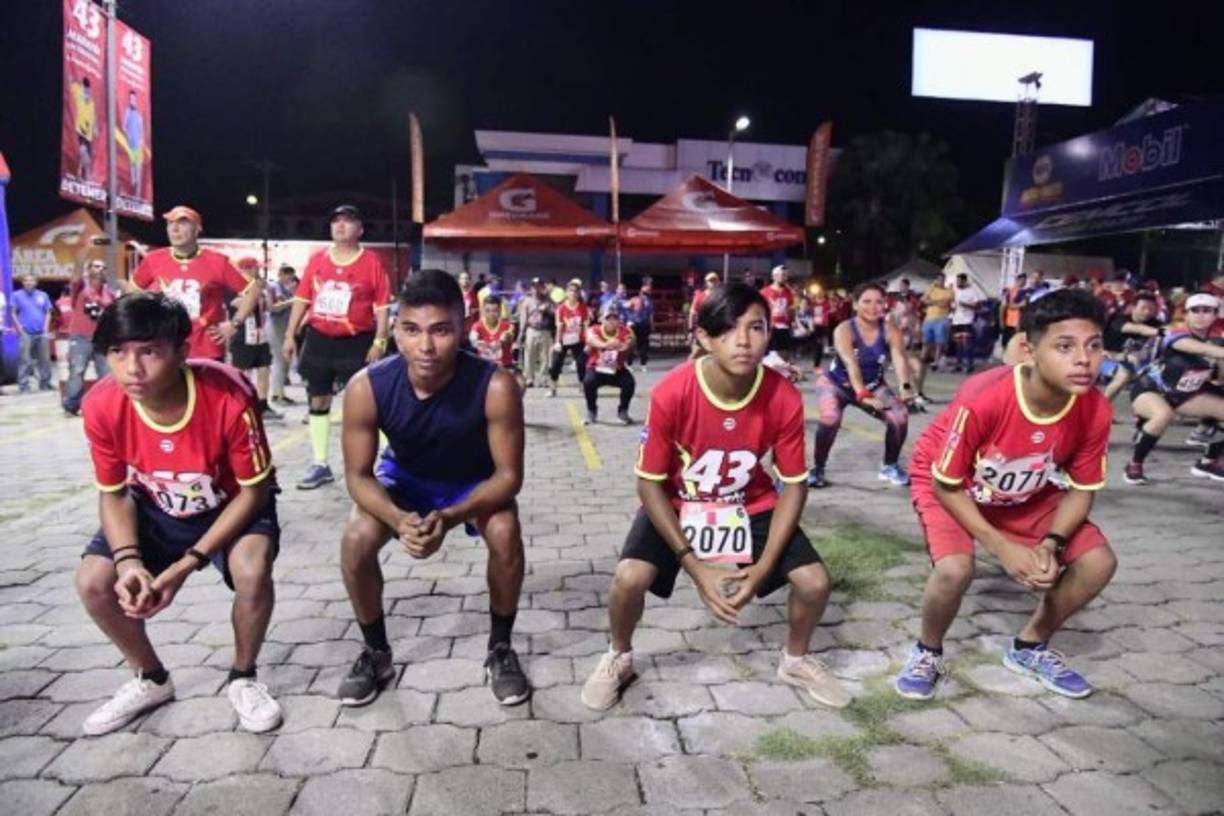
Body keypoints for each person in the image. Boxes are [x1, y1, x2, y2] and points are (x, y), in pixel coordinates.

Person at [580, 282, 849, 711]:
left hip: (748, 501)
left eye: (756, 327)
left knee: (815, 582)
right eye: (727, 329)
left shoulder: (782, 395)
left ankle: (795, 659)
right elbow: (649, 482)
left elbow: (794, 485)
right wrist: (695, 566)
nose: (743, 341)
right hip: (678, 502)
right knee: (629, 578)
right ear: (704, 338)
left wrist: (761, 570)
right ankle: (618, 654)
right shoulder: (673, 390)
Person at [75, 293, 282, 735]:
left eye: (149, 351)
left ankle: (243, 676)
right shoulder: (99, 404)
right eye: (118, 352)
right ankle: (150, 678)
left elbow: (254, 489)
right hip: (156, 501)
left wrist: (188, 564)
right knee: (93, 580)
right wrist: (130, 562)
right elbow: (113, 494)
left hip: (231, 504)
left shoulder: (228, 392)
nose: (132, 369)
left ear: (182, 352)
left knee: (252, 569)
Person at [896, 289, 1117, 701]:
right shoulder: (985, 396)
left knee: (1098, 561)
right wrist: (1003, 549)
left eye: (1094, 345)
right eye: (1064, 347)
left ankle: (1029, 647)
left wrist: (1051, 544)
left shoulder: (1096, 410)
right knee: (955, 571)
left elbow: (1080, 490)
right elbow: (946, 483)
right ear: (1030, 351)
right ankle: (928, 650)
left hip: (1024, 490)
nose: (1084, 359)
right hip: (951, 482)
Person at [335, 270, 530, 706]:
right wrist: (399, 521)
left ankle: (500, 649)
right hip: (406, 479)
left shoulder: (496, 385)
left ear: (463, 326)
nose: (425, 346)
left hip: (474, 482)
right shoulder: (366, 387)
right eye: (411, 330)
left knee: (504, 533)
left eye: (440, 330)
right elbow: (358, 477)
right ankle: (376, 652)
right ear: (396, 329)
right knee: (356, 539)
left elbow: (508, 477)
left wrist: (451, 516)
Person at [283, 205, 392, 490]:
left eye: (348, 221)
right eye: (336, 222)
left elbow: (382, 305)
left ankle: (388, 460)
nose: (341, 226)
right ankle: (320, 464)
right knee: (317, 401)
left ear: (360, 229)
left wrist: (380, 340)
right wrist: (290, 335)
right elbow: (303, 298)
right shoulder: (318, 259)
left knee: (369, 403)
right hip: (319, 339)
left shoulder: (371, 262)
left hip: (357, 341)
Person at [810, 283, 914, 488]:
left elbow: (900, 358)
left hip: (874, 385)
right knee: (830, 419)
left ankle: (890, 467)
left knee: (899, 416)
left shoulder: (890, 329)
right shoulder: (844, 329)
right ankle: (817, 468)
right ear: (855, 304)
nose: (873, 307)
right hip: (836, 385)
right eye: (866, 301)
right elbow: (850, 363)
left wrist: (906, 386)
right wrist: (862, 394)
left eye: (879, 302)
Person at [129, 206, 262, 362]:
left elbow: (253, 290)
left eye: (182, 223)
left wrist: (234, 325)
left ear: (197, 229)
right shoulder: (154, 260)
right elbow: (132, 292)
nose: (175, 229)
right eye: (170, 224)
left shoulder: (218, 261)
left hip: (206, 350)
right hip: (166, 347)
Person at [1124, 292, 1224, 485]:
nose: (1201, 315)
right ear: (1186, 315)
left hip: (1185, 394)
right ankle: (1134, 464)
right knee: (1163, 415)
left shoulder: (1217, 340)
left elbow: (1219, 377)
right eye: (1195, 310)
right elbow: (1202, 350)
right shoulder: (1175, 333)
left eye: (1207, 311)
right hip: (1150, 389)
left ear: (1215, 315)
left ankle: (1208, 462)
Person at [228, 258, 282, 421]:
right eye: (255, 268)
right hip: (243, 335)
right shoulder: (237, 286)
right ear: (247, 269)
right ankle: (239, 404)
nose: (258, 271)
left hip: (261, 335)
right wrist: (254, 293)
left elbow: (270, 307)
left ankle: (262, 404)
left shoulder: (261, 286)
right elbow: (236, 304)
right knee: (242, 372)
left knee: (264, 369)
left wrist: (292, 302)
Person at [62, 259, 116, 415]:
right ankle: (72, 405)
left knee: (106, 374)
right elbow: (76, 272)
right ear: (89, 269)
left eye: (104, 267)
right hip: (80, 337)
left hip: (102, 339)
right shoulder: (80, 288)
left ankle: (103, 405)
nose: (101, 269)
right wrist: (85, 249)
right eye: (97, 266)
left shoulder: (109, 293)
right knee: (77, 371)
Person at [1099, 292, 1162, 405]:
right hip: (1105, 358)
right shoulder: (1118, 319)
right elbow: (1136, 329)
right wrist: (1161, 332)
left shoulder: (1156, 324)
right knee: (1124, 374)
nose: (1147, 312)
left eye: (1151, 309)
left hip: (1134, 361)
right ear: (1133, 308)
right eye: (1143, 308)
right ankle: (1099, 410)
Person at [582, 307, 636, 425]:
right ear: (602, 319)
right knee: (588, 382)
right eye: (608, 319)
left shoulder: (625, 330)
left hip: (617, 368)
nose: (611, 322)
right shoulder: (594, 329)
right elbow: (591, 340)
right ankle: (591, 410)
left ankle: (623, 411)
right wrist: (606, 345)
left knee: (629, 383)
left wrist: (622, 345)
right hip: (597, 368)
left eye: (615, 319)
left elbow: (630, 342)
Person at [11, 273, 55, 393]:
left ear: (36, 282)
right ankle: (24, 386)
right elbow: (13, 312)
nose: (28, 282)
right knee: (24, 360)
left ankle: (45, 384)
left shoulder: (43, 295)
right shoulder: (16, 295)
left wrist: (46, 327)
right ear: (22, 282)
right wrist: (19, 328)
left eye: (31, 280)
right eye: (26, 280)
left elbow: (48, 312)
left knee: (44, 359)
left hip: (41, 332)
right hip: (25, 332)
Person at [549, 280, 590, 397]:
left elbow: (586, 326)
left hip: (578, 339)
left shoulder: (583, 308)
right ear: (566, 293)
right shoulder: (561, 308)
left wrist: (588, 343)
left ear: (578, 294)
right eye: (571, 291)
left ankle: (582, 385)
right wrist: (557, 342)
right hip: (563, 339)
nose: (573, 293)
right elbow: (559, 326)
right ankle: (553, 387)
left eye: (575, 291)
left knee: (581, 363)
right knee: (556, 363)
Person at [266, 264, 298, 405]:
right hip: (275, 325)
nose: (289, 276)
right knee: (279, 360)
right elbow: (273, 308)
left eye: (291, 273)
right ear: (280, 274)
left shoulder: (287, 289)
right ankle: (276, 395)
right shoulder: (273, 286)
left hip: (285, 327)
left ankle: (281, 393)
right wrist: (292, 300)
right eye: (286, 273)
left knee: (285, 361)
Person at [516, 278, 554, 388]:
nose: (536, 289)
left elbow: (556, 313)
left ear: (542, 288)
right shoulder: (527, 301)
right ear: (531, 289)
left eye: (539, 286)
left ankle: (543, 378)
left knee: (545, 356)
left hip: (545, 330)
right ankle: (529, 378)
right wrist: (521, 333)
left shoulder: (548, 300)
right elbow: (523, 317)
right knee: (529, 355)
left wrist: (547, 310)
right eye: (534, 287)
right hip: (531, 330)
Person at [761, 264, 796, 362]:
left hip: (784, 327)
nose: (786, 277)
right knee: (768, 356)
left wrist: (792, 323)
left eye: (786, 275)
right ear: (774, 277)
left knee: (785, 354)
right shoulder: (765, 292)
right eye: (783, 275)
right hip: (770, 327)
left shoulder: (789, 292)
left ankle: (783, 374)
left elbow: (791, 309)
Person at [920, 276, 954, 373]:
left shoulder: (948, 291)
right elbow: (923, 299)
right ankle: (922, 360)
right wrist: (936, 302)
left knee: (939, 342)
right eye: (938, 279)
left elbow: (946, 303)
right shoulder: (931, 288)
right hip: (929, 318)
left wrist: (931, 301)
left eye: (942, 279)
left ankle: (936, 362)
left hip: (942, 319)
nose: (940, 281)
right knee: (926, 341)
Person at [950, 273, 980, 373]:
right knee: (958, 344)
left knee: (967, 344)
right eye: (957, 281)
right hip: (956, 321)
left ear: (964, 281)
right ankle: (958, 365)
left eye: (959, 281)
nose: (958, 283)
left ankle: (969, 365)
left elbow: (977, 306)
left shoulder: (972, 291)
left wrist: (966, 304)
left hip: (967, 321)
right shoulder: (955, 291)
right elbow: (952, 304)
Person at [689, 272, 720, 358]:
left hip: (715, 330)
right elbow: (692, 313)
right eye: (711, 281)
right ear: (706, 283)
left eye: (715, 281)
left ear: (718, 282)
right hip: (702, 330)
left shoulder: (720, 297)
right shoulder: (700, 296)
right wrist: (691, 330)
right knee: (696, 354)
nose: (713, 283)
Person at [627, 281, 655, 372]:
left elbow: (627, 309)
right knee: (642, 345)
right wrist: (652, 325)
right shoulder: (650, 301)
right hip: (643, 324)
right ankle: (643, 365)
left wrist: (629, 319)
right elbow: (651, 316)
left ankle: (630, 365)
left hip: (635, 324)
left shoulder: (634, 299)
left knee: (632, 344)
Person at [72, 76, 96, 180]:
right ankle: (82, 174)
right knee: (82, 150)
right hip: (80, 131)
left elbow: (93, 116)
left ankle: (84, 175)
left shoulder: (91, 102)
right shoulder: (78, 92)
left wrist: (95, 128)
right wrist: (77, 81)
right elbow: (71, 81)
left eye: (88, 90)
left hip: (89, 134)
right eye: (85, 89)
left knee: (87, 157)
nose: (87, 92)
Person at [122, 90, 145, 194]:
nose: (132, 100)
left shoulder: (138, 115)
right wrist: (129, 136)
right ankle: (134, 192)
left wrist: (141, 140)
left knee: (138, 170)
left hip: (138, 146)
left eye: (134, 98)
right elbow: (124, 126)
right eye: (131, 98)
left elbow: (142, 129)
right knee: (133, 173)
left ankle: (138, 194)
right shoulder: (128, 112)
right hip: (131, 146)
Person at [999, 272, 1028, 352]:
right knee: (1005, 343)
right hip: (1008, 321)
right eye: (1021, 280)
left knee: (1015, 344)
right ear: (1017, 280)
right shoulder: (1009, 291)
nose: (1023, 283)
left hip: (1018, 322)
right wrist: (1001, 320)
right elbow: (1002, 307)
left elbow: (1023, 305)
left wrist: (1012, 306)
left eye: (1024, 281)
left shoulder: (1025, 293)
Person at [458, 270, 480, 335]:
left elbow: (480, 308)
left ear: (470, 281)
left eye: (467, 278)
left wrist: (475, 310)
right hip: (459, 326)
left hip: (472, 326)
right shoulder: (455, 294)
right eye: (462, 278)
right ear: (459, 280)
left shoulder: (475, 294)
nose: (465, 280)